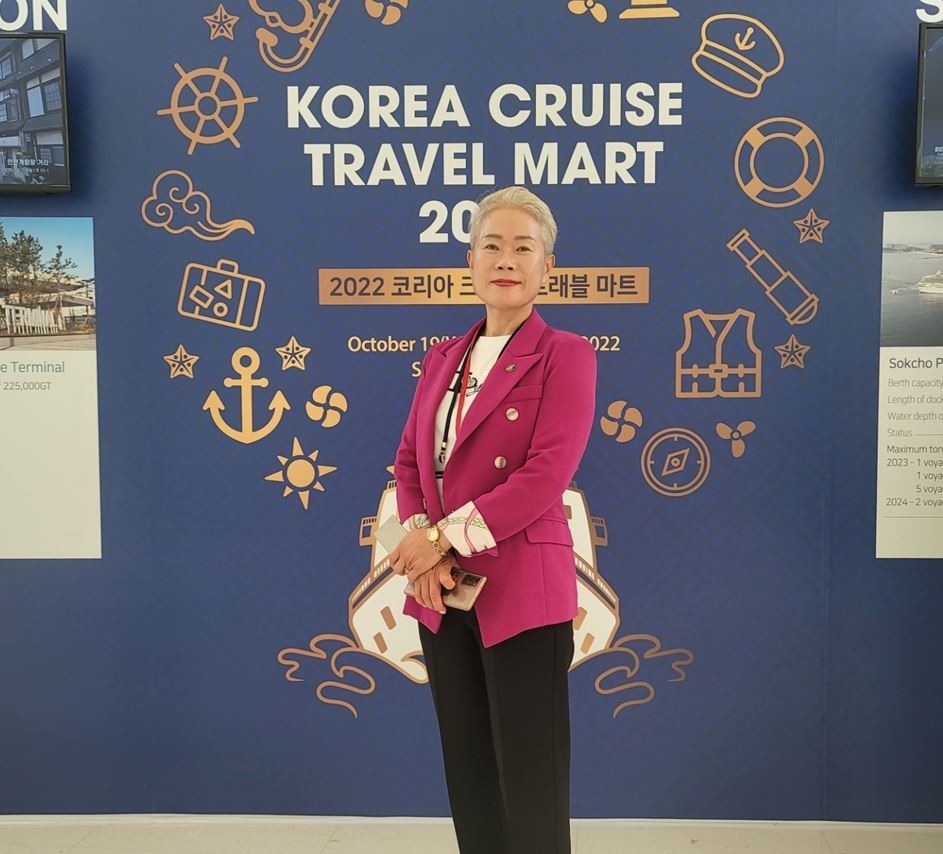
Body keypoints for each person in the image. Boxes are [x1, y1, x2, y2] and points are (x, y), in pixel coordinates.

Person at [390, 186, 597, 854]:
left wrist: (437, 540)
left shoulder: (566, 353)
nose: (505, 259)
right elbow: (410, 463)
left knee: (532, 784)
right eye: (491, 245)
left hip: (522, 593)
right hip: (443, 592)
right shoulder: (441, 358)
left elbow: (544, 476)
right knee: (470, 776)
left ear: (547, 266)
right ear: (470, 260)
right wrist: (426, 548)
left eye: (522, 247)